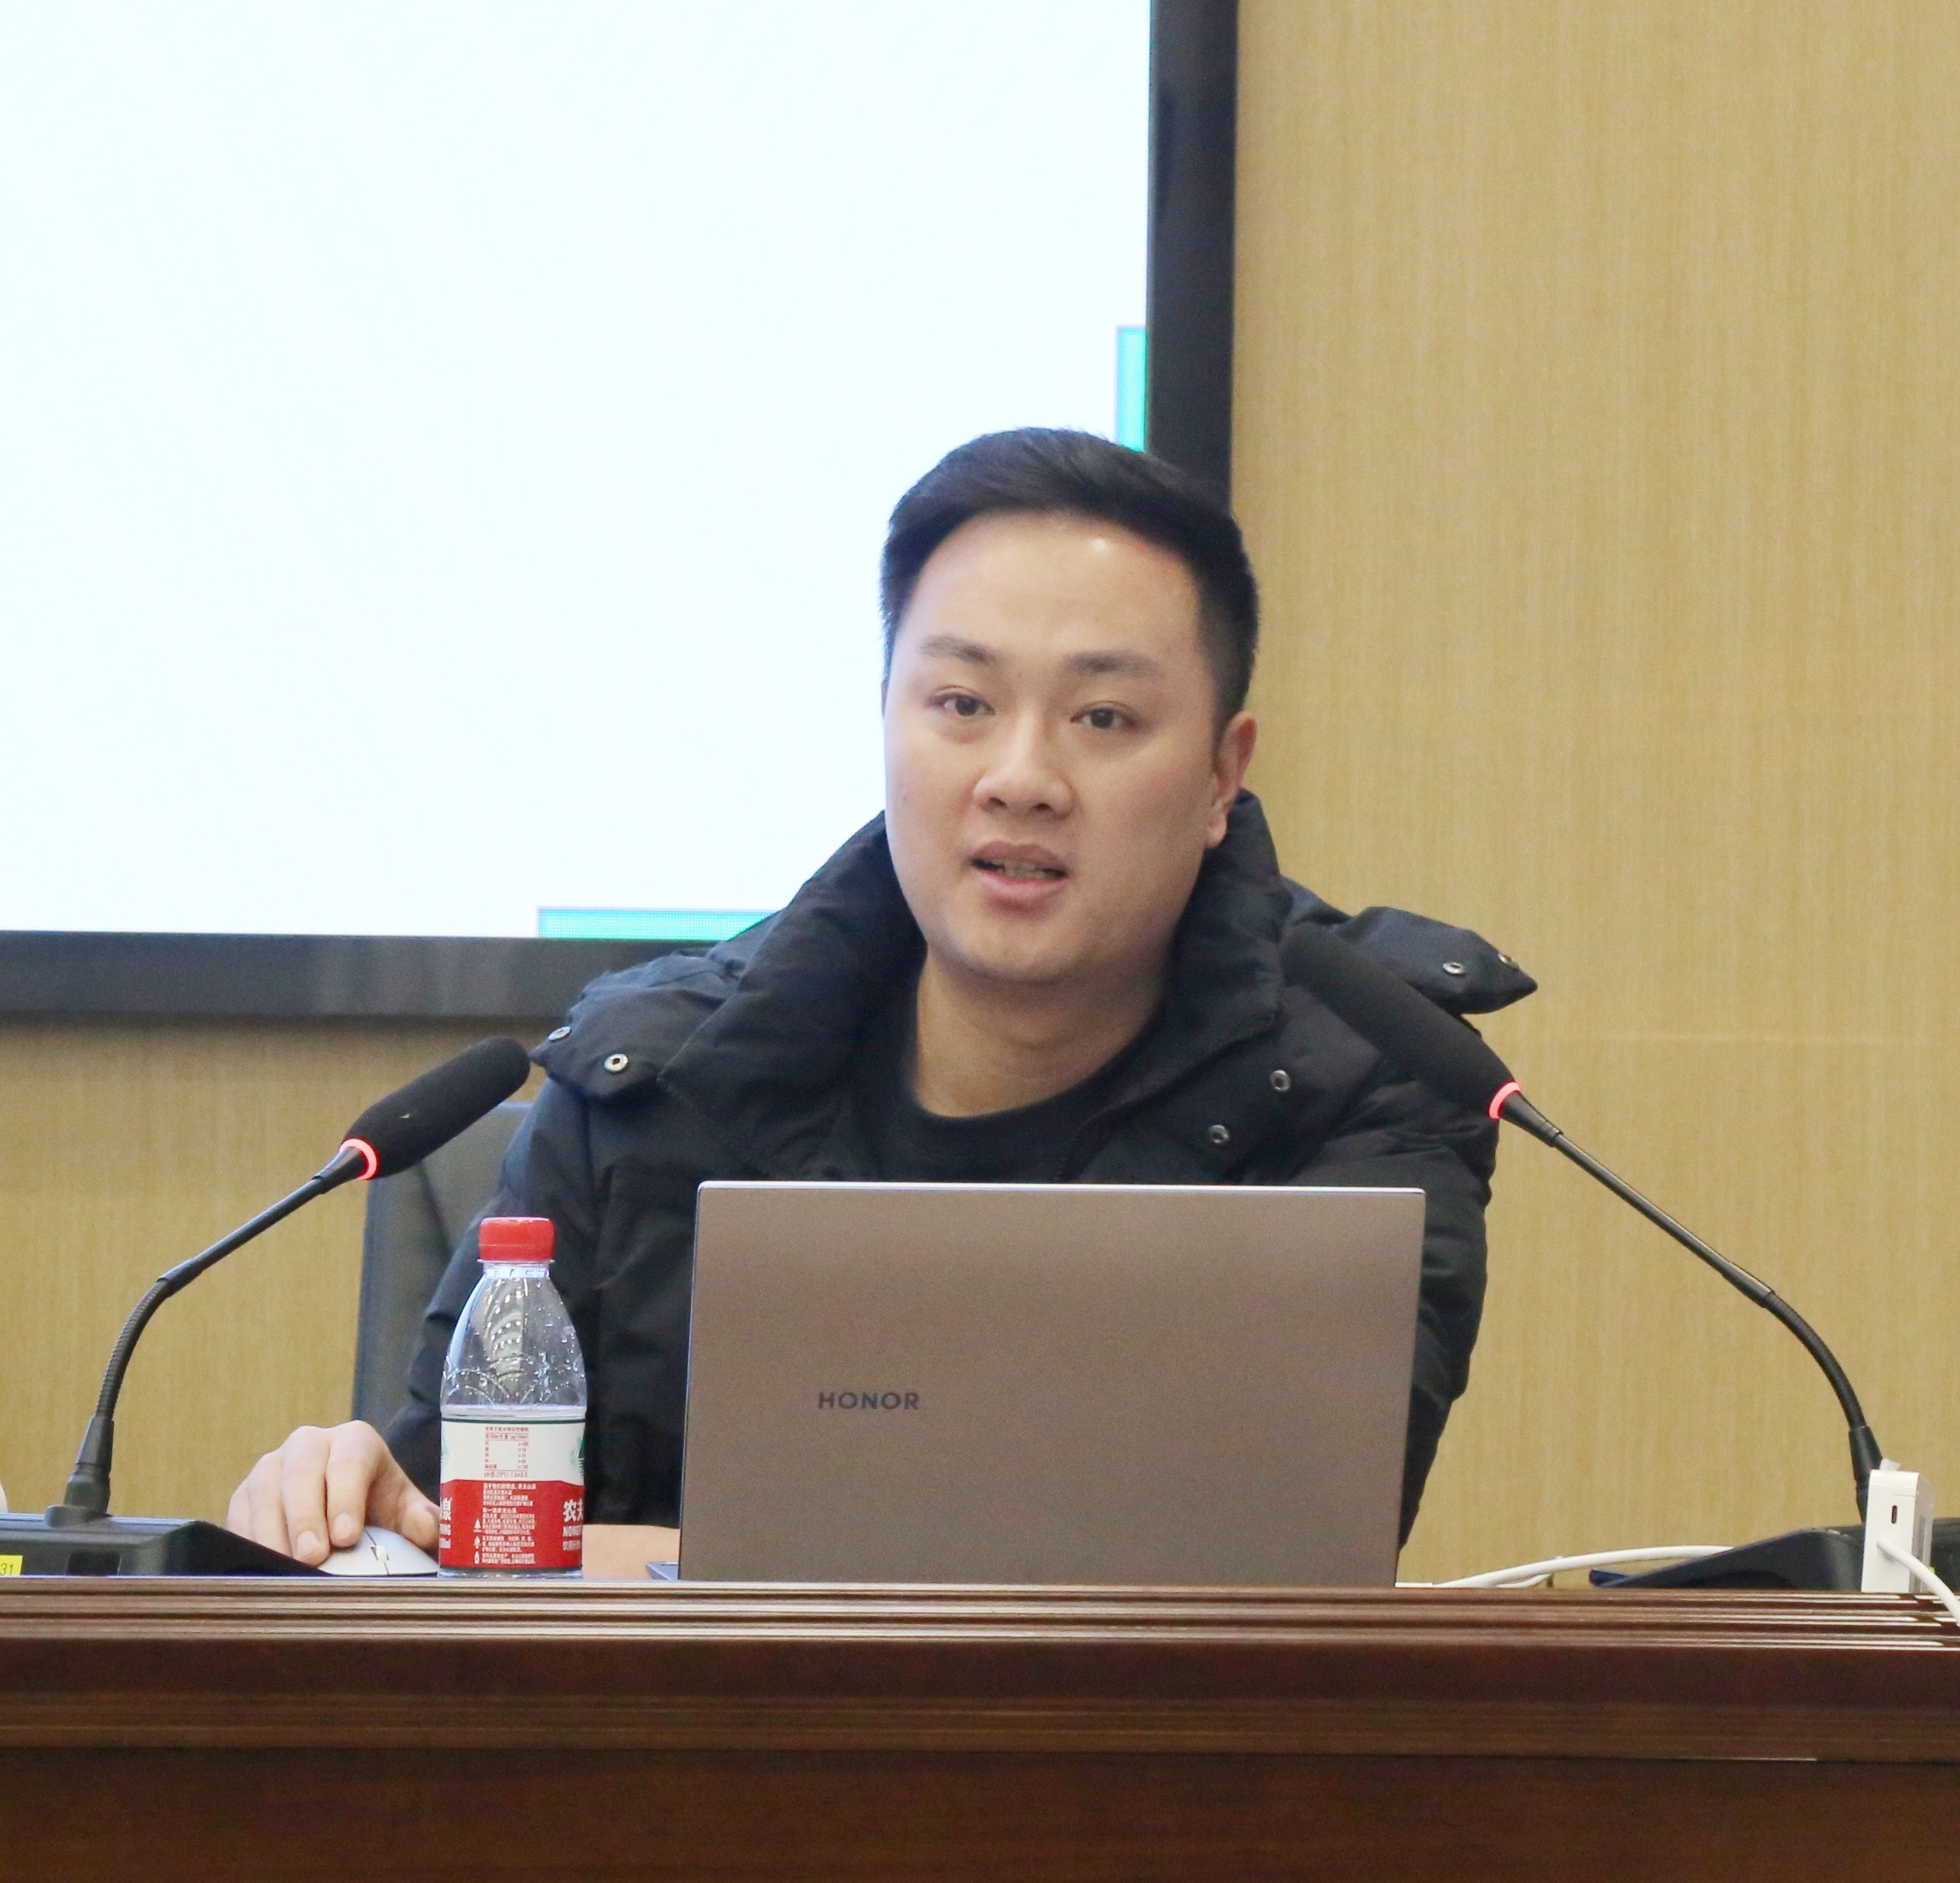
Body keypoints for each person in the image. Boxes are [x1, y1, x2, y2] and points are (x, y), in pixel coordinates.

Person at [229, 427, 1529, 1569]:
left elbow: (1281, 1560)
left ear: (1220, 776)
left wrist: (644, 1564)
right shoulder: (650, 1082)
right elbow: (455, 1541)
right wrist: (356, 1500)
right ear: (887, 717)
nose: (1020, 776)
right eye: (962, 702)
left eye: (1104, 718)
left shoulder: (1367, 1079)